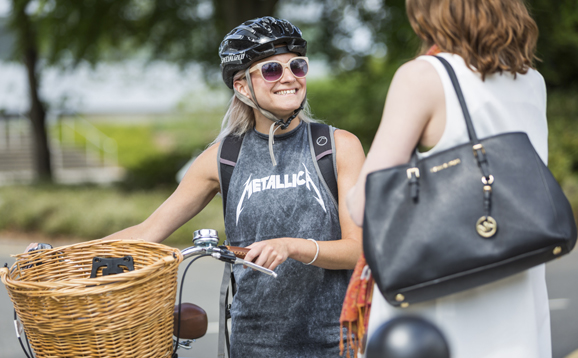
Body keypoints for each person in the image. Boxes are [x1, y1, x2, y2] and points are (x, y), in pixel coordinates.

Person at [24, 17, 364, 357]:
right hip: (254, 343)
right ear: (243, 86)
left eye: (298, 66)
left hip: (335, 340)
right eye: (273, 69)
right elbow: (147, 231)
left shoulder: (336, 147)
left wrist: (292, 246)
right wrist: (56, 260)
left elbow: (357, 250)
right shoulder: (224, 157)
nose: (289, 77)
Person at [346, 1, 551, 358]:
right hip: (517, 290)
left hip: (441, 300)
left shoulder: (424, 76)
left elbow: (366, 204)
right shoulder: (531, 79)